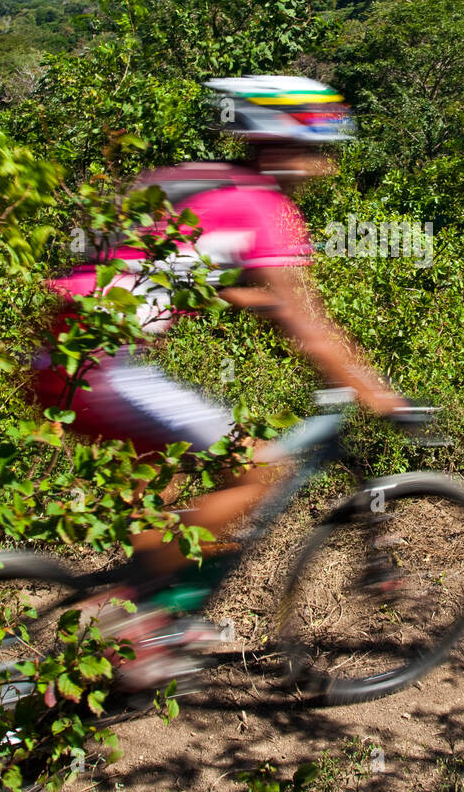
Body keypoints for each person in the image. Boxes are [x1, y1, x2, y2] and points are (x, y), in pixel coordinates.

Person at [29, 75, 409, 688]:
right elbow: (307, 327)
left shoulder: (190, 177)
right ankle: (131, 621)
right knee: (260, 469)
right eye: (319, 149)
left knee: (183, 487)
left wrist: (250, 301)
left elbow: (144, 258)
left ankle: (156, 608)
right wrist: (377, 393)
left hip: (51, 356)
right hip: (106, 366)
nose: (325, 165)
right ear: (283, 144)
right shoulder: (267, 209)